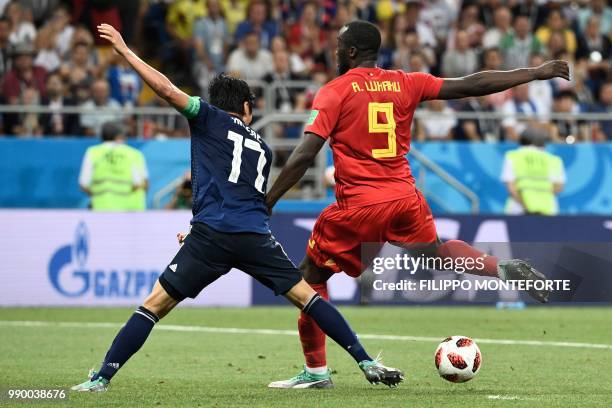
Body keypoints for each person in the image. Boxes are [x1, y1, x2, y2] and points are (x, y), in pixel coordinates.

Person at [71, 23, 403, 393]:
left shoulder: (206, 116)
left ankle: (101, 378)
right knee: (307, 297)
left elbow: (166, 90)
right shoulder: (261, 146)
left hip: (212, 235)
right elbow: (245, 196)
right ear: (246, 108)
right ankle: (365, 360)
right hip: (253, 235)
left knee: (153, 306)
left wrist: (125, 51)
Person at [265, 20, 569, 388]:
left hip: (360, 204)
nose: (333, 55)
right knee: (438, 251)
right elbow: (472, 84)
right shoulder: (406, 81)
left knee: (310, 280)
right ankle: (501, 268)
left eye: (337, 48)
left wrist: (268, 200)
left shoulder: (335, 90)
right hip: (406, 198)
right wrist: (534, 73)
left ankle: (315, 373)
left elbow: (304, 154)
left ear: (349, 52)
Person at [79, 122, 148, 211]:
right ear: (119, 136)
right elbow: (139, 183)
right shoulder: (134, 154)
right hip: (131, 211)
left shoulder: (93, 152)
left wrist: (99, 195)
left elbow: (83, 183)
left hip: (102, 207)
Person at [501, 128, 565, 215]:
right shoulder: (554, 160)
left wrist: (527, 206)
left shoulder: (513, 156)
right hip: (547, 209)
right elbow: (558, 187)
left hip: (518, 209)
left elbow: (511, 187)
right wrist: (539, 204)